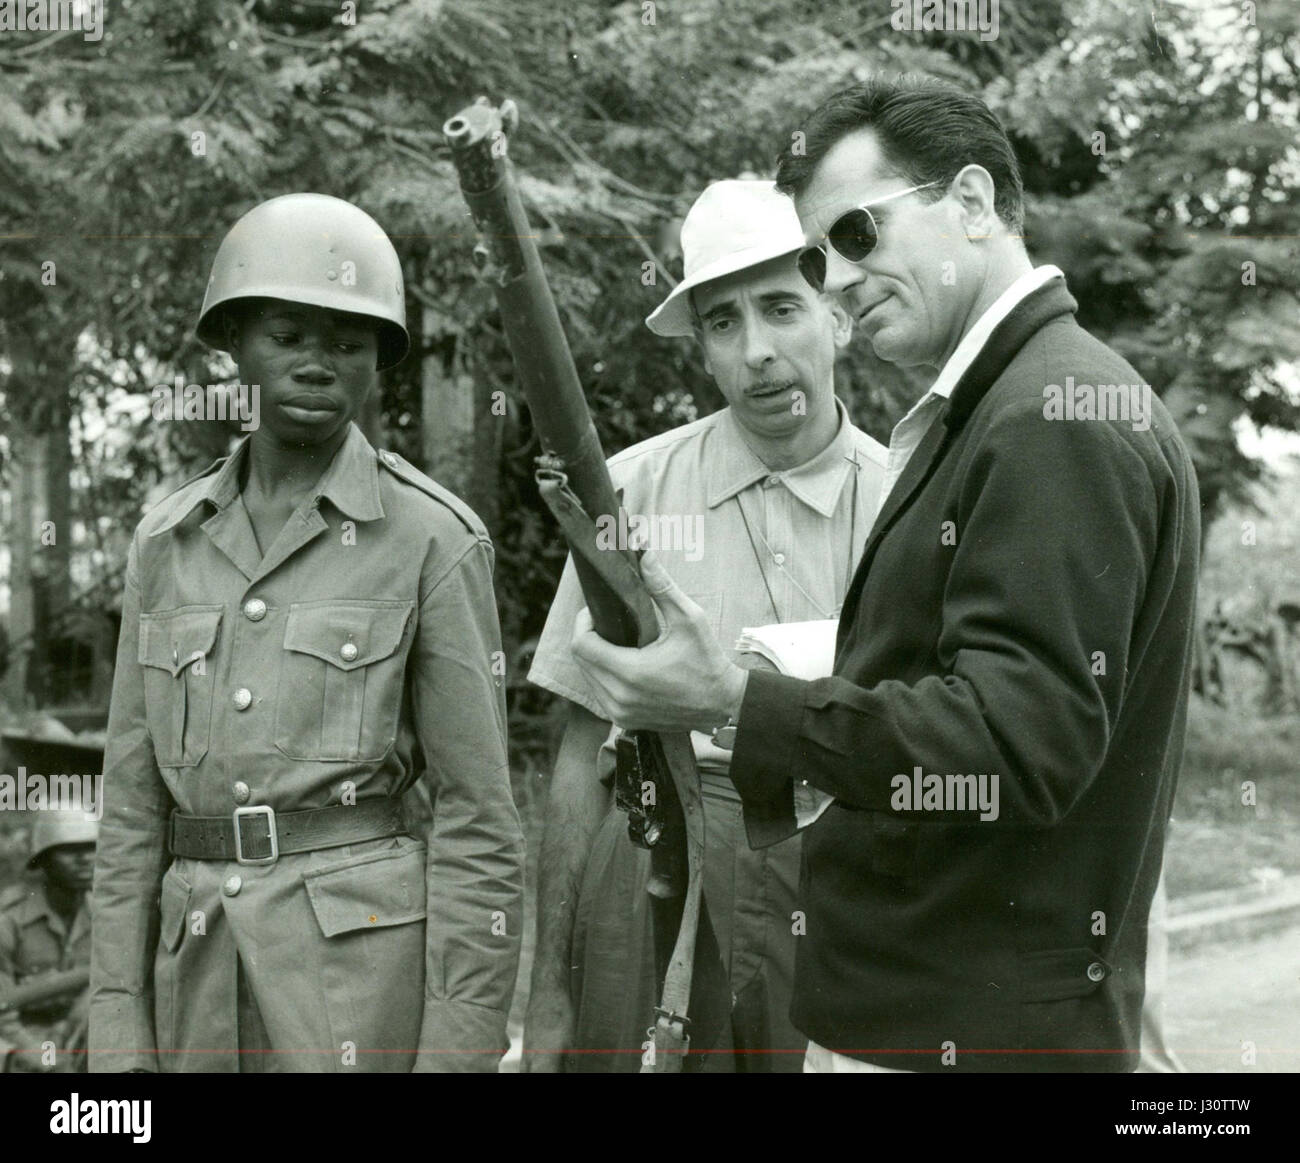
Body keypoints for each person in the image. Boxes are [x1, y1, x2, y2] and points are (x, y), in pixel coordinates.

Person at [568, 78, 1201, 1073]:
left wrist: (735, 699)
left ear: (974, 203)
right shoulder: (1010, 410)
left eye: (856, 235)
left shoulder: (1048, 418)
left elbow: (1015, 740)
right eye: (818, 255)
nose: (837, 280)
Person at [90, 193, 524, 1073]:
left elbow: (481, 824)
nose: (318, 364)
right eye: (288, 336)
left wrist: (457, 1057)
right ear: (236, 345)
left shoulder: (431, 539)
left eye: (347, 342)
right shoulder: (165, 543)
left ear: (378, 363)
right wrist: (116, 1043)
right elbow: (131, 816)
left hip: (358, 993)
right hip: (195, 989)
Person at [523, 179, 887, 1072]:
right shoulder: (629, 494)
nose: (757, 351)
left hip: (843, 880)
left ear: (837, 314)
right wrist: (550, 991)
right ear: (703, 350)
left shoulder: (912, 501)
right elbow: (579, 751)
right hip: (650, 866)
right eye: (724, 322)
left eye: (781, 308)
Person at [0, 810, 98, 1073]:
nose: (84, 859)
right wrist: (48, 1060)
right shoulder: (9, 922)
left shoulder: (104, 916)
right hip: (22, 1038)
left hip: (82, 1034)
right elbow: (3, 1016)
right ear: (42, 860)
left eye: (91, 848)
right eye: (68, 850)